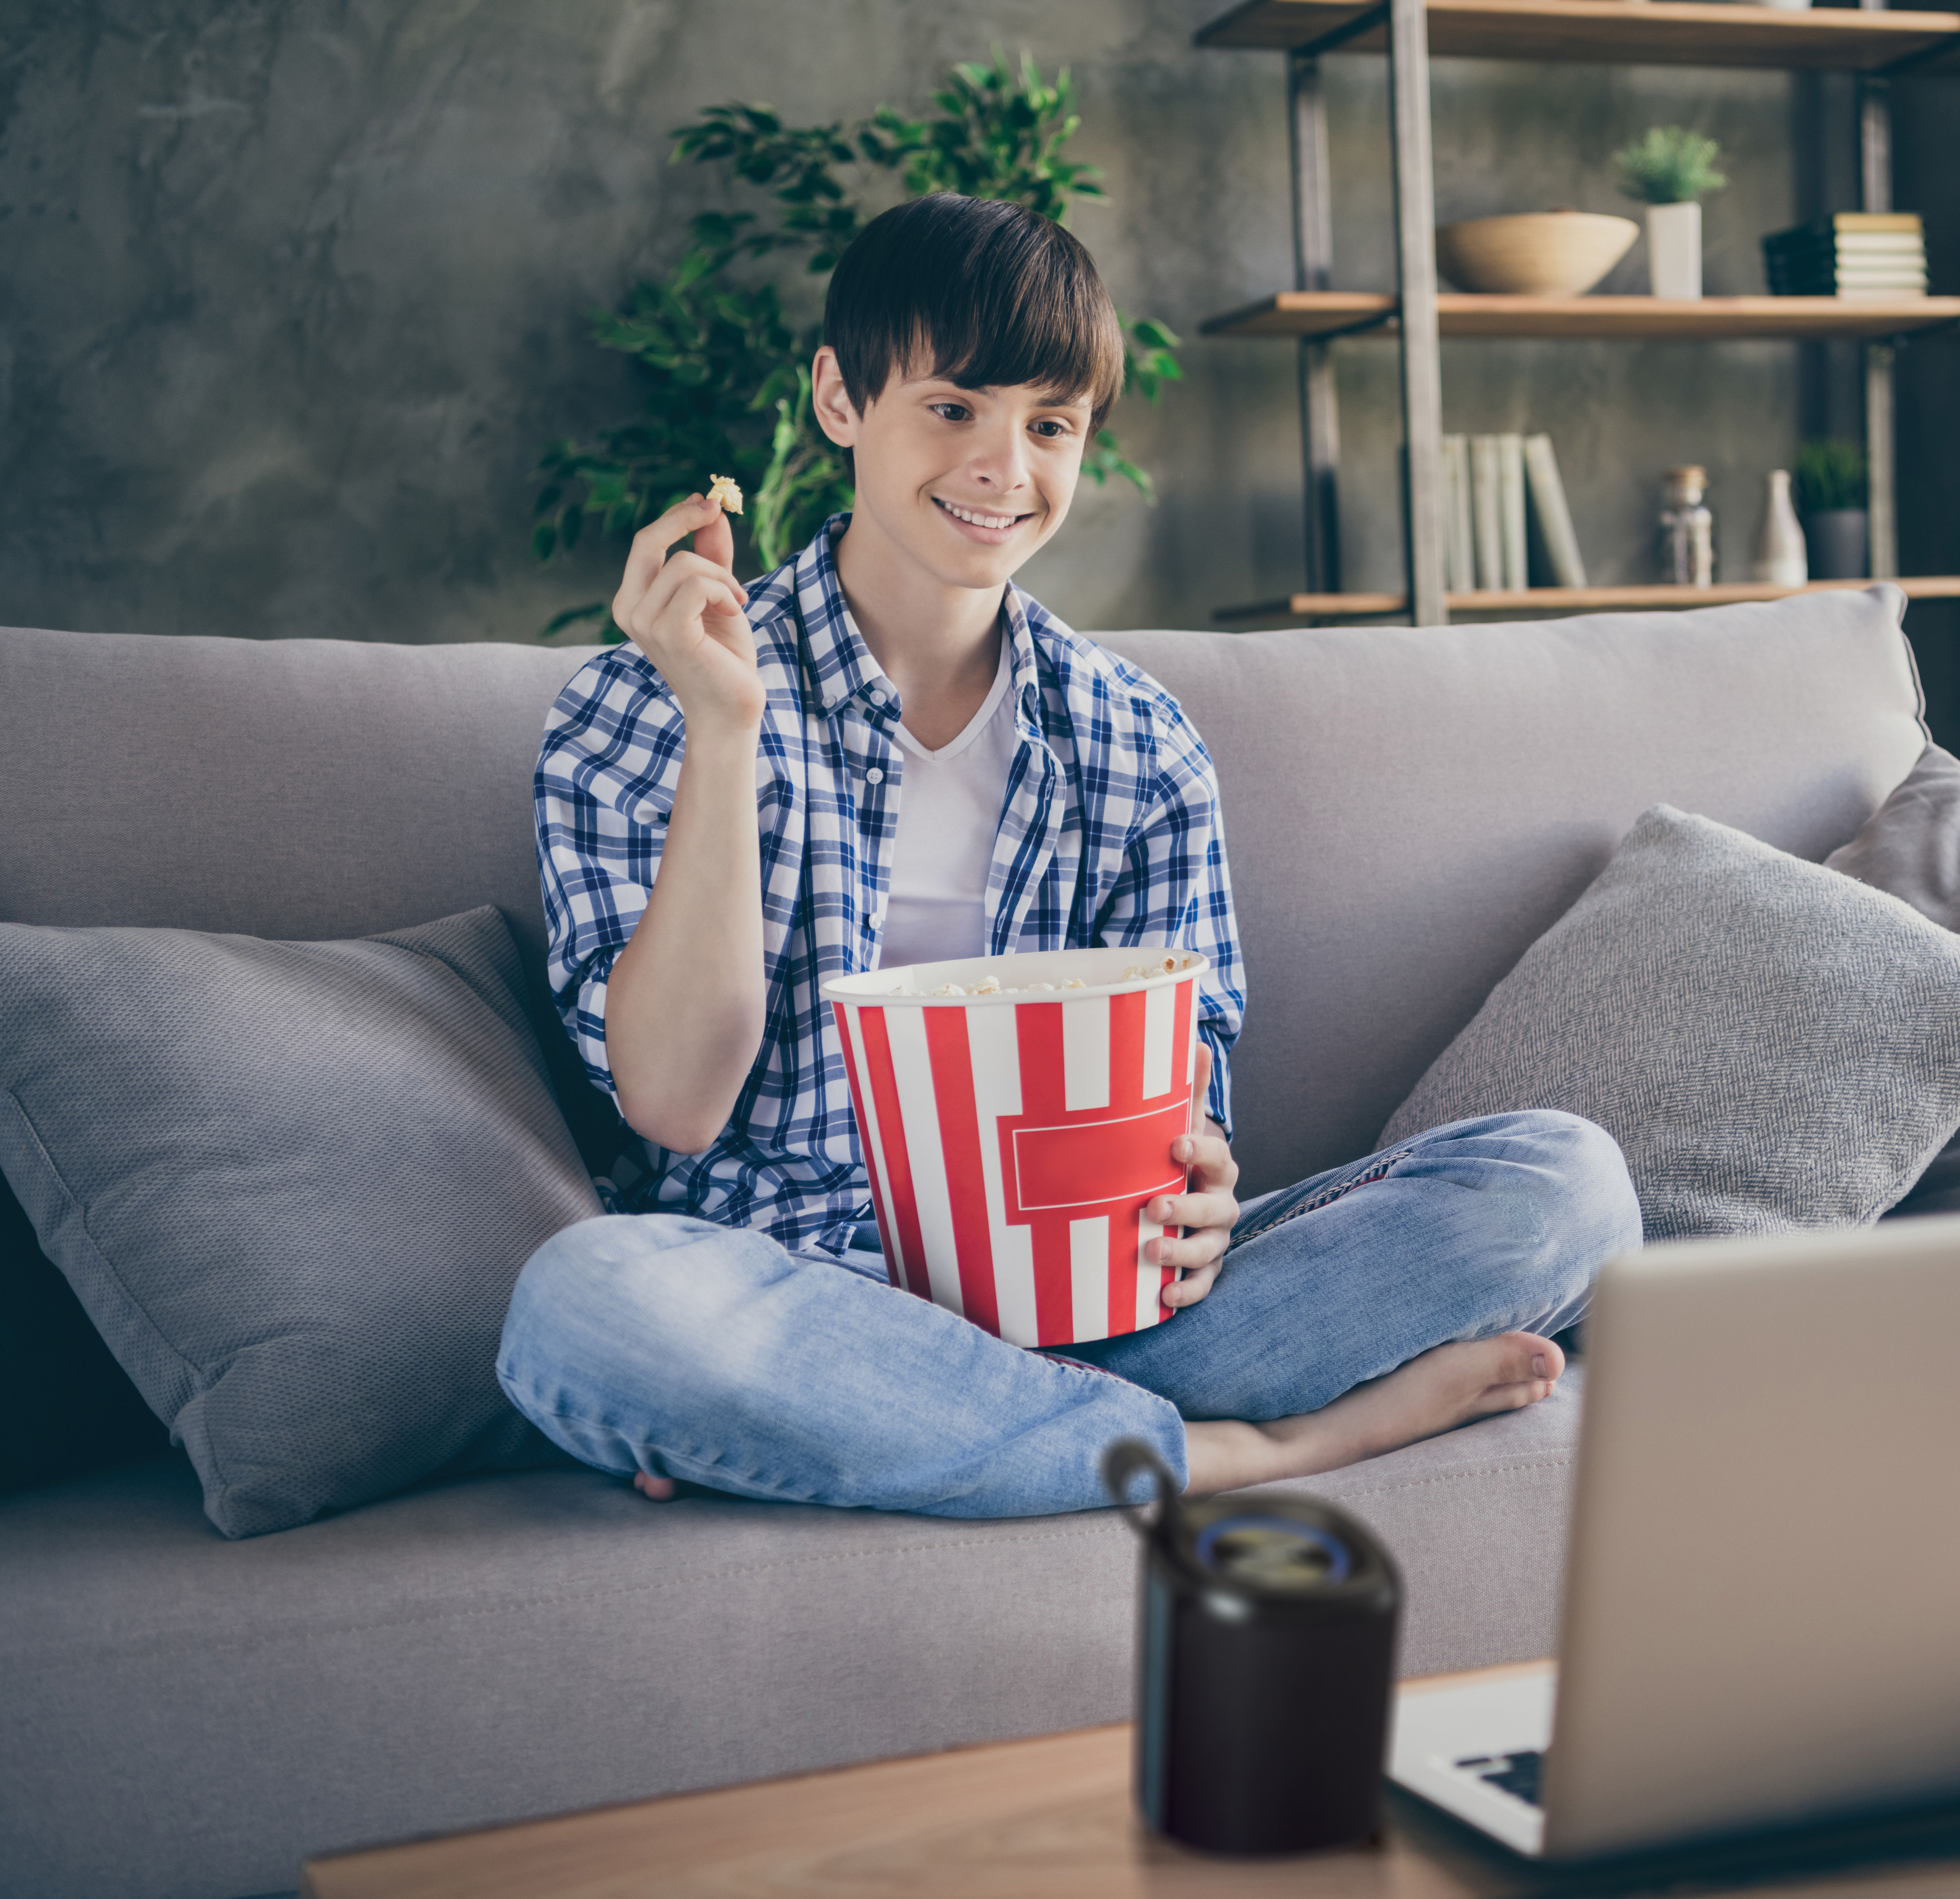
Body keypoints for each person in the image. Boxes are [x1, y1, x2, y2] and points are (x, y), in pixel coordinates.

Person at [498, 193, 1639, 1519]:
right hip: (792, 1293)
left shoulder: (1139, 747)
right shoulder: (644, 703)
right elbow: (676, 1109)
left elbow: (1185, 1110)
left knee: (1564, 1185)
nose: (1004, 468)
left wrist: (1202, 1184)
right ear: (838, 398)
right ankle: (1253, 1453)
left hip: (1101, 1312)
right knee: (591, 1305)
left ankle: (928, 1438)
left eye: (1050, 426)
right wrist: (726, 728)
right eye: (954, 408)